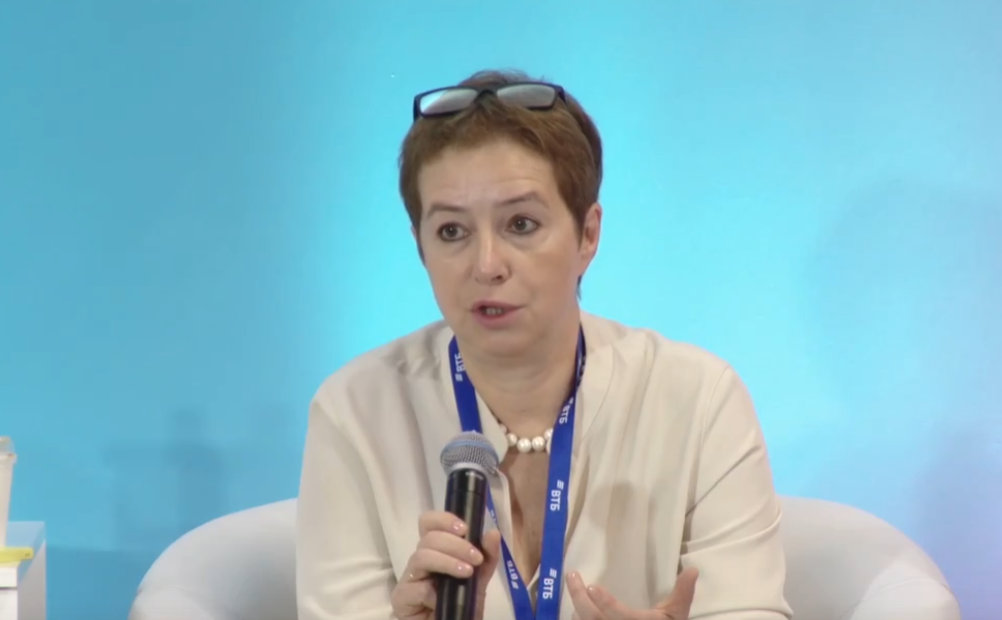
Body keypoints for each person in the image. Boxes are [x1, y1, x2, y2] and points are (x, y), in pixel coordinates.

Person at [296, 69, 792, 620]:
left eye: (521, 224)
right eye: (452, 231)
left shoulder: (699, 401)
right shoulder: (355, 412)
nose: (487, 266)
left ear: (588, 235)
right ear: (420, 247)